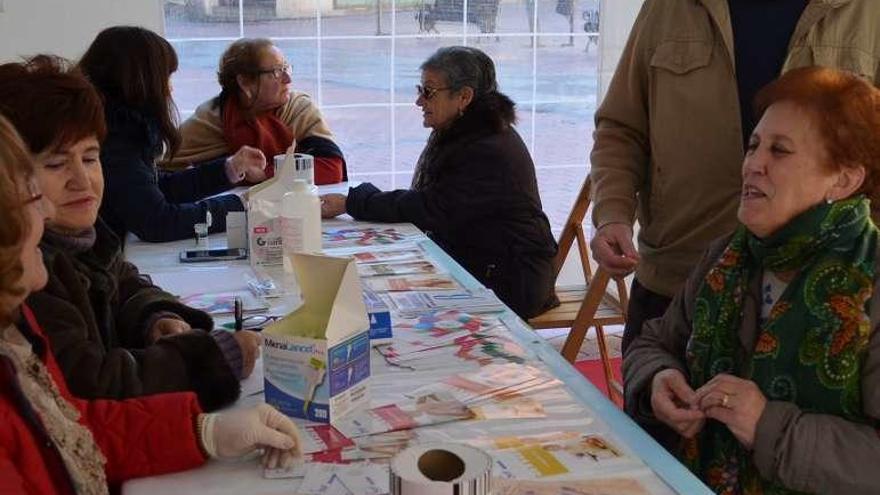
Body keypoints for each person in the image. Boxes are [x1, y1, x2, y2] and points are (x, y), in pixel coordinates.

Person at [0, 114, 301, 494]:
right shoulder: (29, 309)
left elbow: (67, 431)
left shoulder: (17, 324)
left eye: (90, 158)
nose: (44, 210)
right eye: (30, 193)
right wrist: (208, 360)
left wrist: (201, 433)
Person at [624, 67, 880, 494]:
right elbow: (653, 343)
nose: (752, 165)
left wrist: (768, 426)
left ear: (844, 178)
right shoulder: (728, 256)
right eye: (753, 146)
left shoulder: (869, 283)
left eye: (780, 151)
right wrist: (658, 380)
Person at [589, 0, 880, 355]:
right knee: (652, 396)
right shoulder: (670, 7)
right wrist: (613, 213)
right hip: (676, 275)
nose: (754, 165)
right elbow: (622, 126)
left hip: (821, 296)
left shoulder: (868, 12)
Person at [0, 55, 262, 412]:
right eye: (56, 164)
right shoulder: (27, 273)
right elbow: (90, 384)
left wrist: (154, 316)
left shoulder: (79, 235)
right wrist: (212, 359)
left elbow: (121, 279)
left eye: (90, 158)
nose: (82, 180)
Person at [321, 46, 558, 319]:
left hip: (513, 280)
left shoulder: (487, 148)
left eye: (429, 92)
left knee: (387, 300)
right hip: (481, 260)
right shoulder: (466, 132)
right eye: (420, 89)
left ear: (464, 97)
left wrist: (355, 201)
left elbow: (432, 207)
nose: (419, 101)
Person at [78, 26, 267, 243]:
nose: (169, 90)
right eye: (166, 77)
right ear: (141, 81)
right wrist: (241, 206)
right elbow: (158, 221)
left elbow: (156, 189)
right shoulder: (115, 138)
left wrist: (229, 169)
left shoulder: (117, 126)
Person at [166, 37, 346, 184]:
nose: (288, 78)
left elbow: (332, 168)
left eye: (286, 68)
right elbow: (164, 174)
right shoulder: (211, 119)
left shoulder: (299, 109)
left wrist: (266, 174)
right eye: (276, 71)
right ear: (245, 82)